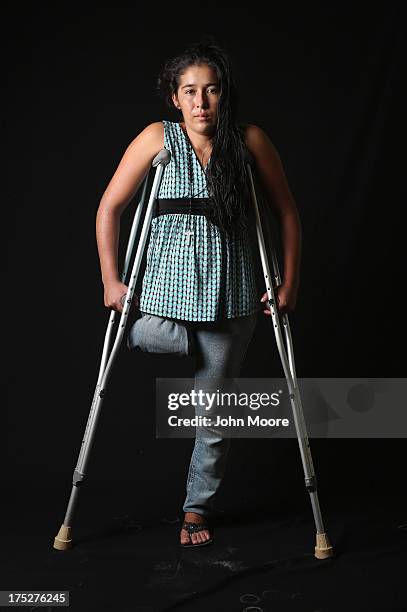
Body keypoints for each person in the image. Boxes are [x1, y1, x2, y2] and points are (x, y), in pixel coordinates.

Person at [95, 39, 302, 547]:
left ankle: (195, 510)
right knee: (142, 337)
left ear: (223, 94)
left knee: (213, 410)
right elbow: (109, 209)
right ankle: (190, 347)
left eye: (210, 91)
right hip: (165, 299)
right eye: (190, 92)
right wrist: (110, 280)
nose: (201, 102)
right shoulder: (156, 139)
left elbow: (288, 214)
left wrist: (288, 281)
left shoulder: (249, 139)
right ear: (174, 97)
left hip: (232, 300)